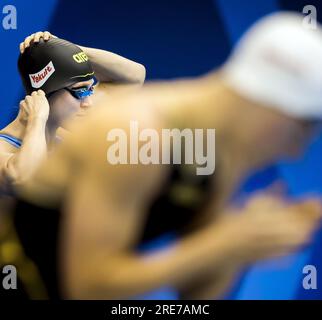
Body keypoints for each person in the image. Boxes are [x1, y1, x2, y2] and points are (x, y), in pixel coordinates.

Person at [15, 13, 322, 299]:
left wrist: (239, 246)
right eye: (303, 129)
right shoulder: (135, 133)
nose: (297, 151)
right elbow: (88, 288)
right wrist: (225, 242)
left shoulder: (221, 145)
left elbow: (194, 292)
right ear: (269, 109)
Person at [0, 31, 145, 188]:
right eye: (80, 91)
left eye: (89, 90)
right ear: (44, 94)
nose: (88, 103)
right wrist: (37, 120)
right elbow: (22, 179)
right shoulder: (4, 147)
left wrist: (68, 50)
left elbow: (132, 79)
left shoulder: (62, 132)